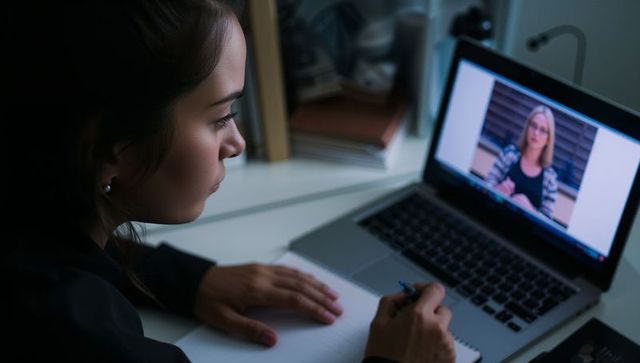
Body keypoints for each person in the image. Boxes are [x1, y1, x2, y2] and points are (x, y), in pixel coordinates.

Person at [1, 1, 455, 362]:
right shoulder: (78, 334)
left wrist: (189, 281)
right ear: (117, 150)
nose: (235, 142)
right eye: (221, 117)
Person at [486, 105, 559, 219]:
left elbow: (547, 222)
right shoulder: (509, 154)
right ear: (527, 128)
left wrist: (529, 210)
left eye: (543, 130)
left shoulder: (551, 179)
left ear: (548, 139)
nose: (536, 133)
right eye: (533, 126)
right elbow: (484, 188)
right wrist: (498, 190)